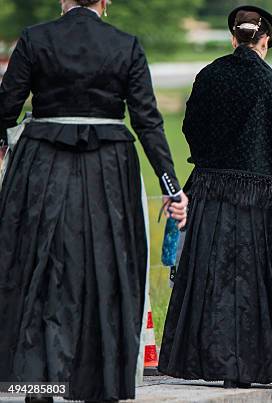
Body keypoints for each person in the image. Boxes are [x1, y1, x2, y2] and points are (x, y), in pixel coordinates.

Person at [0, 0, 187, 402]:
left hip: (42, 167)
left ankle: (38, 386)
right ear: (105, 3)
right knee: (105, 272)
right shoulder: (126, 43)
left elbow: (5, 108)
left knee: (39, 269)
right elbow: (147, 120)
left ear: (62, 1)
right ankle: (99, 386)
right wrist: (172, 186)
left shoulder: (35, 39)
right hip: (107, 171)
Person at [158, 5, 272, 388]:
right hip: (258, 196)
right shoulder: (267, 80)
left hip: (210, 189)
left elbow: (191, 127)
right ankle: (252, 365)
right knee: (254, 278)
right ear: (265, 40)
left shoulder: (209, 74)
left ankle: (205, 360)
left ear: (232, 37)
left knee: (208, 274)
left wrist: (208, 161)